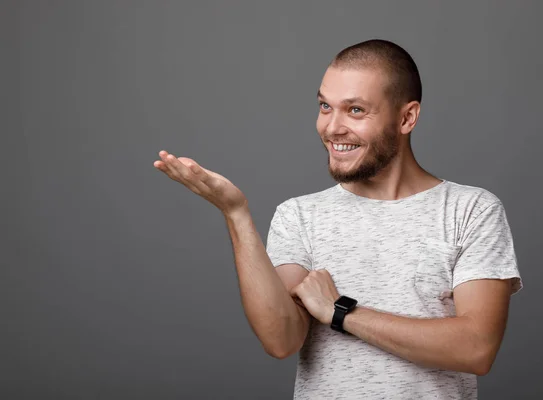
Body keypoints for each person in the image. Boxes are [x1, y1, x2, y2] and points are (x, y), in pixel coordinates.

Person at [153, 39, 523, 399]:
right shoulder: (299, 216)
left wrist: (341, 313)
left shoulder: (471, 210)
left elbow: (476, 348)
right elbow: (281, 340)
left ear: (407, 117)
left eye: (356, 110)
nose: (332, 128)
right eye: (325, 106)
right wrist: (236, 214)